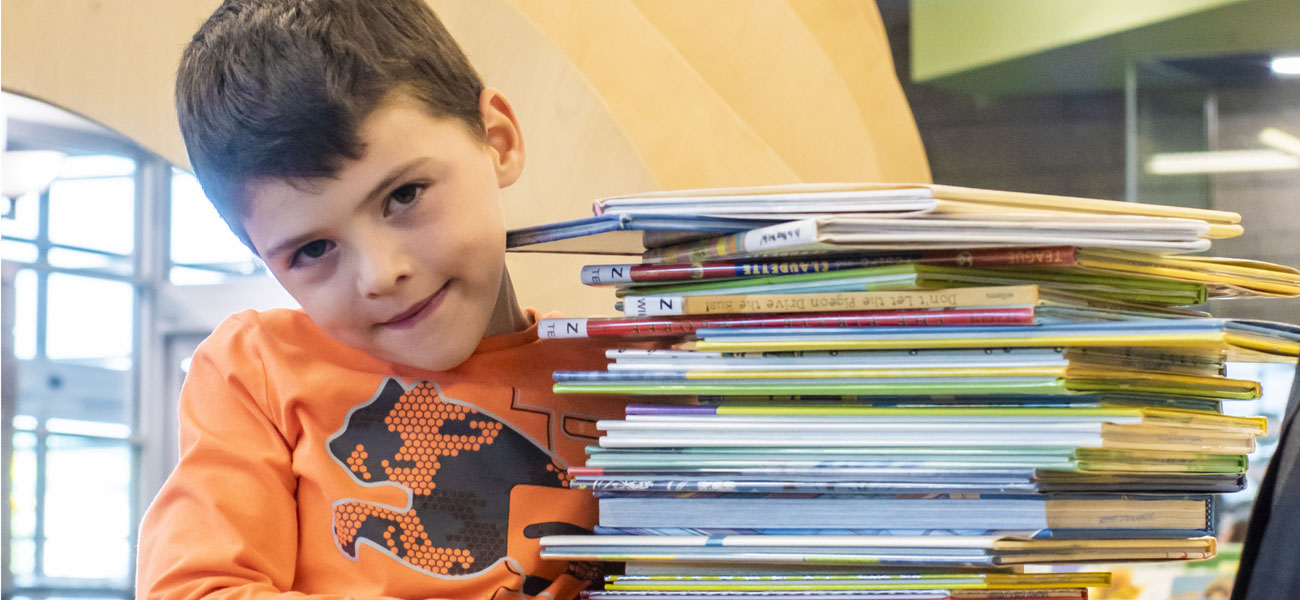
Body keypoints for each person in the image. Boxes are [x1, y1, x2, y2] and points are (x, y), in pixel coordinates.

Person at [136, 1, 624, 599]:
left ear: (497, 140)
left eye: (404, 195)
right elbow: (194, 591)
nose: (380, 274)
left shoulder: (644, 374)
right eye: (313, 250)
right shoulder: (258, 372)